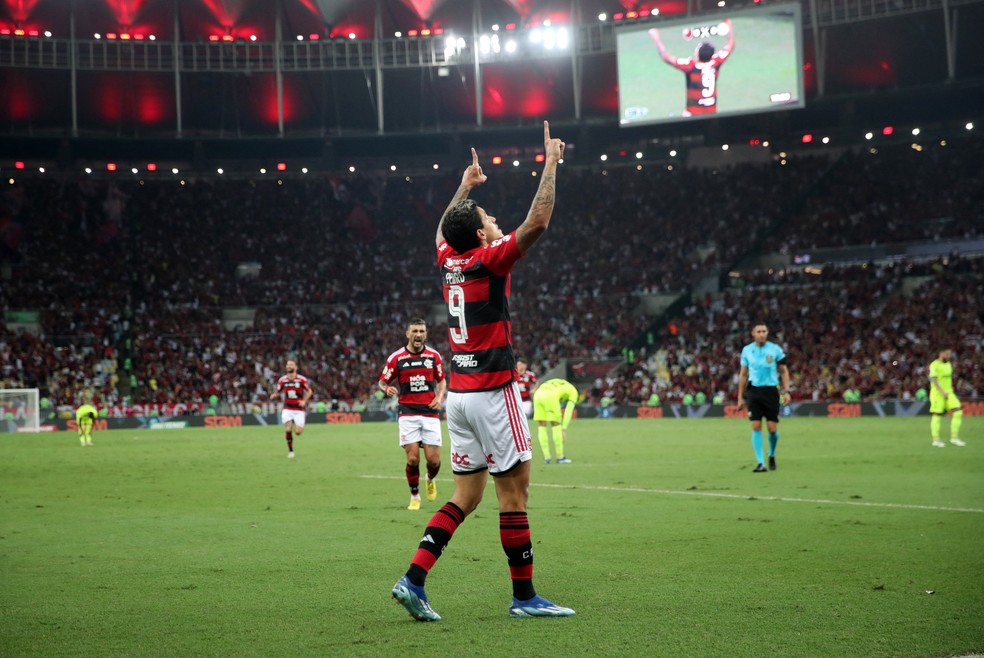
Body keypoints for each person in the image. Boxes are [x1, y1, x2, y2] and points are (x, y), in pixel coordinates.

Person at [391, 122, 574, 622]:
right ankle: (525, 597)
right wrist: (551, 160)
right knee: (515, 493)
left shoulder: (449, 259)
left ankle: (413, 579)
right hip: (494, 393)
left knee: (466, 495)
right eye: (491, 218)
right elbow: (537, 222)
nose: (497, 222)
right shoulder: (489, 260)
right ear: (480, 235)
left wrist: (467, 186)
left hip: (459, 400)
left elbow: (441, 229)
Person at [378, 318, 447, 511]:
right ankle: (415, 495)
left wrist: (440, 396)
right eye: (415, 331)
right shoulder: (397, 358)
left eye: (422, 331)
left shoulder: (434, 356)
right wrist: (386, 389)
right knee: (413, 459)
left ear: (425, 334)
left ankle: (430, 479)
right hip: (407, 413)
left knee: (433, 460)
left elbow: (441, 381)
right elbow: (382, 381)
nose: (418, 335)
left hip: (430, 412)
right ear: (408, 334)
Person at [648, 19, 735, 117]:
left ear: (697, 53)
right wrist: (729, 25)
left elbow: (666, 57)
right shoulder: (716, 62)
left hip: (693, 115)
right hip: (712, 114)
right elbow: (730, 46)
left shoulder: (691, 66)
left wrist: (656, 37)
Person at [736, 323, 790, 472]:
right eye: (758, 331)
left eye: (764, 331)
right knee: (756, 426)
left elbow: (784, 371)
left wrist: (786, 391)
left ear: (767, 333)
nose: (761, 334)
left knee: (772, 429)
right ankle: (761, 463)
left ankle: (771, 454)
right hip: (754, 391)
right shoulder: (747, 350)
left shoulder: (775, 350)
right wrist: (740, 397)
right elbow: (743, 374)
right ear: (753, 334)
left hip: (771, 391)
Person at [270, 359, 312, 459]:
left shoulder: (301, 379)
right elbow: (278, 391)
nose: (289, 366)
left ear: (295, 367)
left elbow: (309, 391)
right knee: (288, 429)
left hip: (299, 410)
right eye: (287, 364)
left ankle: (295, 425)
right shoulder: (282, 380)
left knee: (298, 432)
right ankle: (291, 451)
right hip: (287, 408)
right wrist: (274, 395)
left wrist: (304, 401)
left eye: (291, 365)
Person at [533, 378, 579, 463]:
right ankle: (560, 457)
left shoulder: (561, 382)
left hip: (538, 394)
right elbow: (568, 411)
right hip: (550, 396)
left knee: (541, 425)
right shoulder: (574, 392)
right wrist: (564, 429)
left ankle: (547, 458)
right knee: (556, 425)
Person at [929, 348, 965, 447]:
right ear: (941, 353)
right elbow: (934, 379)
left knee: (958, 412)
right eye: (947, 354)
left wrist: (950, 388)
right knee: (937, 415)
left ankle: (954, 438)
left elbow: (947, 379)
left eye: (950, 354)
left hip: (949, 392)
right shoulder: (934, 364)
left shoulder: (949, 364)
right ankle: (936, 440)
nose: (949, 356)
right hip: (937, 393)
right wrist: (942, 391)